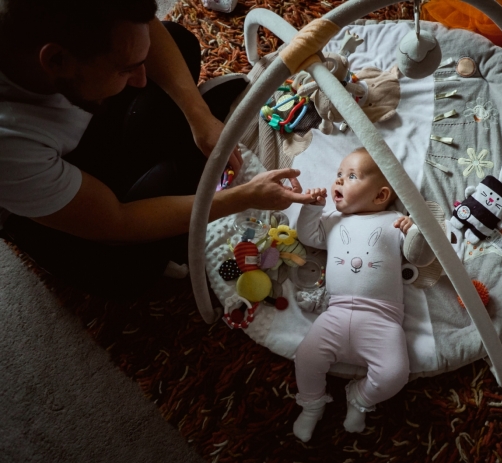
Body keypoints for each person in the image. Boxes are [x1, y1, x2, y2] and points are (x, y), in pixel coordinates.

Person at [0, 0, 312, 298]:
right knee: (128, 274)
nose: (139, 79)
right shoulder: (10, 148)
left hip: (73, 124)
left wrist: (197, 114)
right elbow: (117, 221)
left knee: (178, 42)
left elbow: (144, 26)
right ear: (57, 61)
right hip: (42, 200)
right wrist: (243, 198)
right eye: (125, 69)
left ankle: (168, 157)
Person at [292, 147, 426, 442]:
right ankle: (312, 404)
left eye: (351, 176)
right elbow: (306, 235)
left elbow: (419, 257)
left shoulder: (394, 221)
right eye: (339, 174)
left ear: (380, 196)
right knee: (305, 358)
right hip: (335, 314)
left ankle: (360, 399)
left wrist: (414, 231)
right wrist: (312, 208)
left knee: (394, 373)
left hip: (382, 320)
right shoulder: (331, 221)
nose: (338, 181)